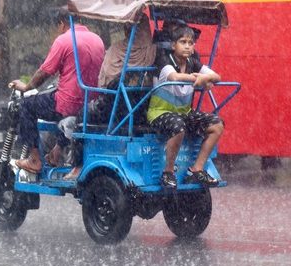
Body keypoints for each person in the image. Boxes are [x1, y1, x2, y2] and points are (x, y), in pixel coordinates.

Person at [59, 14, 157, 180]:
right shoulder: (153, 50)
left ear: (128, 29)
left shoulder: (118, 49)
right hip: (141, 108)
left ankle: (77, 165)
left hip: (116, 108)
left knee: (81, 117)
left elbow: (104, 82)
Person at [9, 8, 105, 173]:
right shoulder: (98, 40)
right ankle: (56, 152)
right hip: (90, 105)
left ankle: (34, 160)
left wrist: (26, 87)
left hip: (68, 104)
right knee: (68, 114)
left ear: (61, 24)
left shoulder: (64, 40)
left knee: (26, 106)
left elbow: (44, 72)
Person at [147, 24, 223, 188]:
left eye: (191, 42)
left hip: (183, 113)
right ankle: (168, 172)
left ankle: (196, 169)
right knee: (178, 126)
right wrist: (198, 78)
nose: (188, 46)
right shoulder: (164, 59)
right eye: (183, 42)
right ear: (173, 45)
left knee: (217, 124)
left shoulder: (192, 62)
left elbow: (216, 76)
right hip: (160, 113)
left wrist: (204, 78)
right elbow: (174, 76)